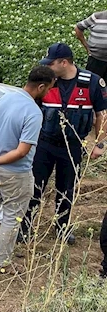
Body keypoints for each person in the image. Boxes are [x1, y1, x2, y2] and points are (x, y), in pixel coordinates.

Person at [0, 65, 56, 272]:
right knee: (11, 216)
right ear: (41, 86)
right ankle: (2, 262)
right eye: (49, 88)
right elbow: (21, 151)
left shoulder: (3, 99)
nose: (49, 93)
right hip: (16, 173)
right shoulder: (34, 113)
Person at [21, 42, 107, 244]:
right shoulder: (45, 81)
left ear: (64, 62)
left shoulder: (92, 82)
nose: (47, 68)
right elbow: (28, 108)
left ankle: (62, 228)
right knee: (34, 186)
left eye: (51, 64)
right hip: (44, 143)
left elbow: (101, 115)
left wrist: (100, 143)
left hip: (73, 145)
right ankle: (24, 227)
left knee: (66, 189)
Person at [75, 11, 107, 81]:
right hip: (95, 60)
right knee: (91, 85)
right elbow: (78, 28)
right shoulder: (97, 17)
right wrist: (86, 46)